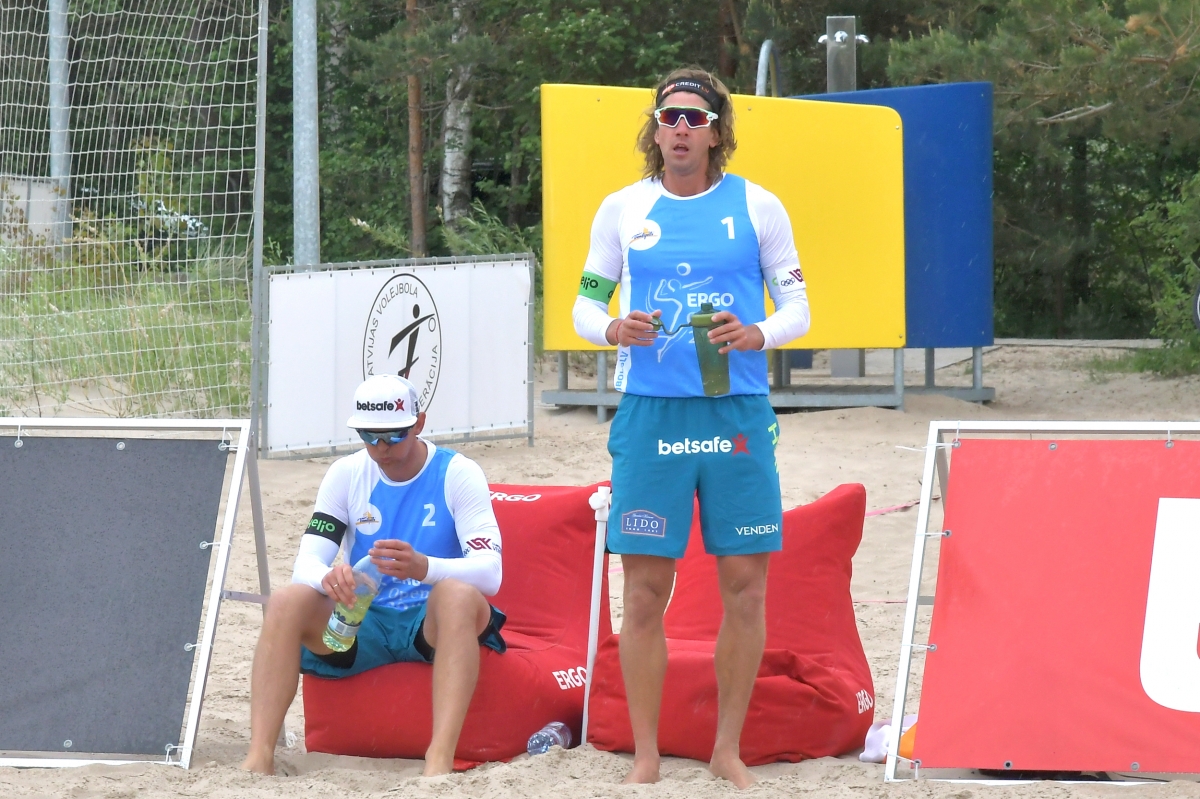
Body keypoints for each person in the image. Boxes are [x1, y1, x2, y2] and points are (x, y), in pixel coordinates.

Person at [572, 67, 810, 788]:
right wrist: (613, 327)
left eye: (694, 119)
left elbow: (799, 310)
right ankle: (645, 753)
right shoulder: (622, 208)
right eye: (668, 117)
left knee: (745, 586)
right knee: (645, 590)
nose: (680, 129)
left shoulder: (759, 205)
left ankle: (725, 749)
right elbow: (584, 306)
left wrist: (759, 333)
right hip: (652, 413)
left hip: (736, 411)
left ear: (715, 132)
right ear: (654, 129)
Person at [240, 373, 505, 777]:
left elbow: (491, 573)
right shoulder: (347, 473)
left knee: (456, 595)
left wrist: (423, 567)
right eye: (369, 436)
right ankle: (259, 757)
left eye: (395, 435)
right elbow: (306, 564)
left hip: (431, 621)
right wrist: (328, 579)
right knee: (286, 600)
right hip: (362, 619)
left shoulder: (458, 473)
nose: (382, 448)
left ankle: (438, 761)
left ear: (419, 423)